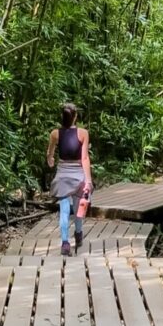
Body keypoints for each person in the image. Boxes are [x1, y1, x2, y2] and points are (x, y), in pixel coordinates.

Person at [47, 103, 92, 256]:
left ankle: (65, 243)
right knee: (79, 207)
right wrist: (88, 180)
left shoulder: (55, 133)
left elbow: (50, 152)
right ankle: (78, 233)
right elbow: (84, 158)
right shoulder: (83, 133)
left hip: (62, 176)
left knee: (64, 210)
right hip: (78, 174)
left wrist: (50, 159)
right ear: (75, 117)